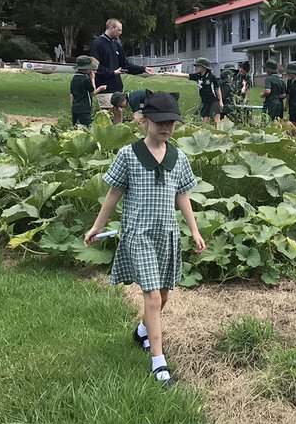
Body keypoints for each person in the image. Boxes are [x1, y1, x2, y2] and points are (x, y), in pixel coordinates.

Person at [85, 92, 206, 386]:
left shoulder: (178, 158)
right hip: (138, 234)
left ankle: (141, 331)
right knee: (151, 297)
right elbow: (114, 193)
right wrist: (96, 226)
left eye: (172, 123)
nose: (167, 128)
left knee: (163, 296)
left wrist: (194, 229)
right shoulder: (129, 155)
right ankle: (158, 362)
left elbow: (183, 196)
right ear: (144, 121)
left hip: (166, 235)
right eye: (160, 122)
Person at [89, 19, 150, 124]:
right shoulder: (97, 43)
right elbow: (95, 66)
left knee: (119, 112)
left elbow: (125, 64)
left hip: (117, 88)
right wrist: (113, 73)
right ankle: (105, 137)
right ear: (111, 28)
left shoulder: (117, 45)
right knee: (106, 115)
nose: (120, 33)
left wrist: (143, 69)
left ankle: (119, 136)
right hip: (104, 87)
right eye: (119, 30)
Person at [69, 55, 107, 127]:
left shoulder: (74, 78)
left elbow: (72, 94)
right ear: (87, 68)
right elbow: (93, 91)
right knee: (87, 126)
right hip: (84, 108)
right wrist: (93, 79)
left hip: (75, 108)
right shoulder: (85, 79)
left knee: (76, 126)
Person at [188, 57, 224, 125]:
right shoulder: (197, 76)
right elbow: (185, 75)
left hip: (213, 100)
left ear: (203, 67)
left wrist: (221, 101)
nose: (196, 67)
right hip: (205, 102)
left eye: (198, 66)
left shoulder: (211, 77)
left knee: (217, 121)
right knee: (205, 122)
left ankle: (220, 134)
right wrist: (170, 74)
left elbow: (217, 88)